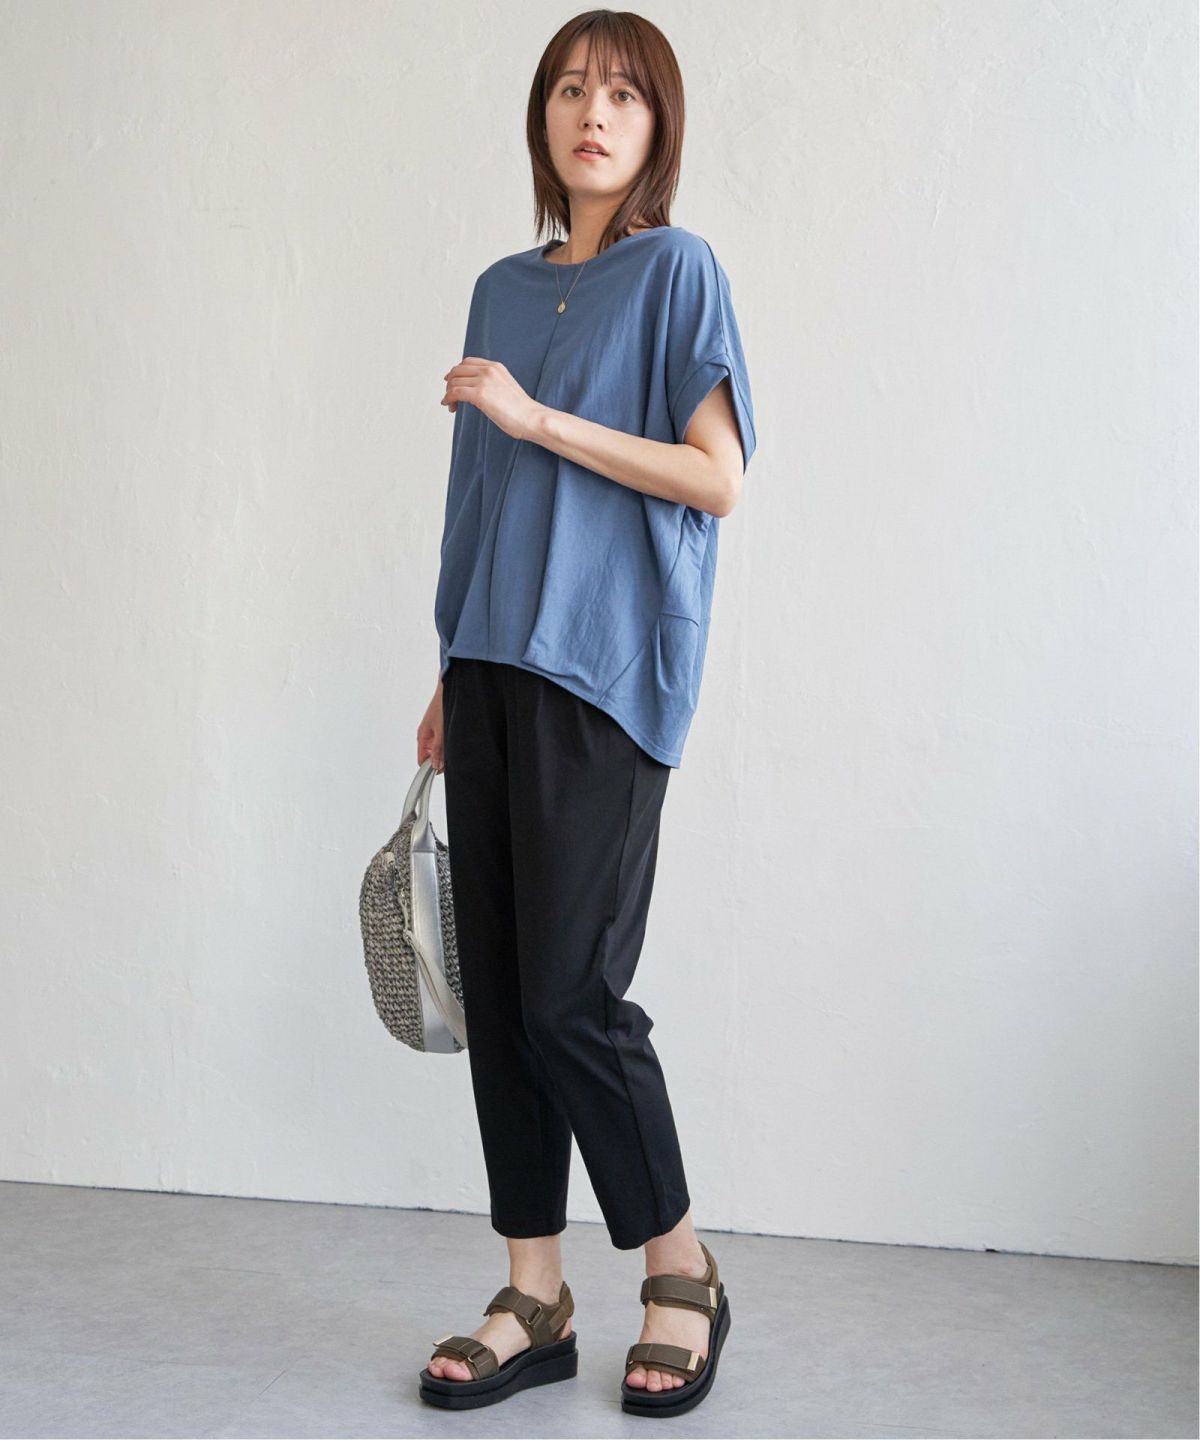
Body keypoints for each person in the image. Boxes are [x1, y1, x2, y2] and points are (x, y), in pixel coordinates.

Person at [414, 9, 756, 1418]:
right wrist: (449, 665)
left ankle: (681, 1267)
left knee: (571, 997)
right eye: (568, 89)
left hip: (602, 674)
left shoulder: (678, 272)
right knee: (504, 998)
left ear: (658, 123)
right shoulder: (500, 290)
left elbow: (718, 478)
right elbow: (478, 498)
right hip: (490, 665)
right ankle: (534, 1293)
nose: (592, 113)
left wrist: (537, 417)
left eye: (621, 93)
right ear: (541, 119)